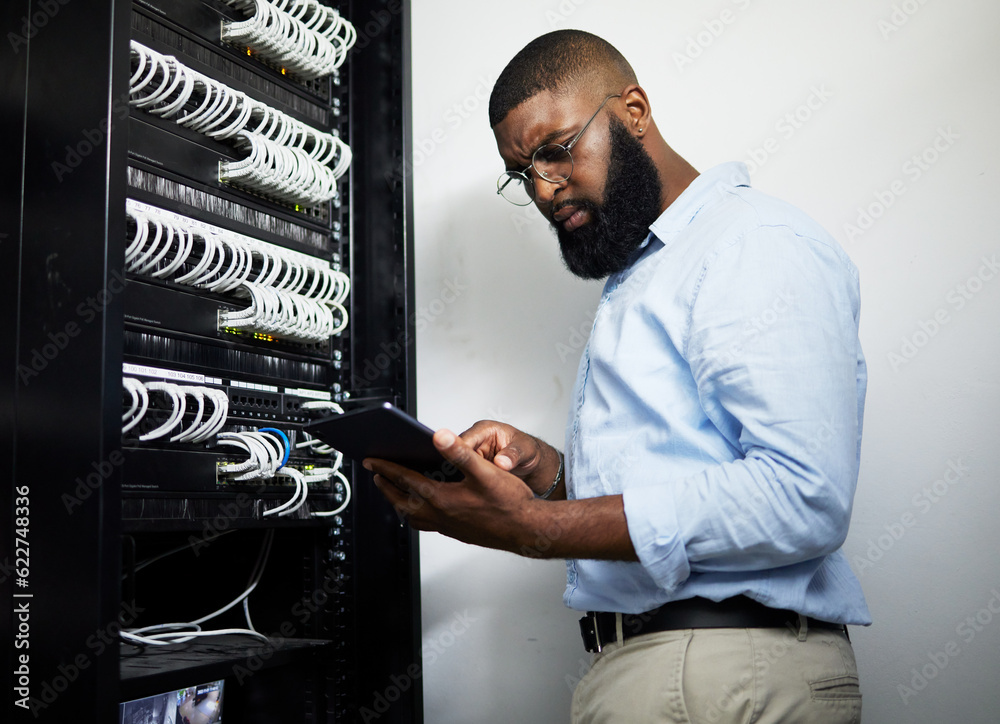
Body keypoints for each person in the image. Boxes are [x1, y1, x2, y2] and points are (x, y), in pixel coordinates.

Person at [365, 29, 869, 723]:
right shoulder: (655, 265)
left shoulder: (751, 243)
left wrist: (536, 525)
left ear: (633, 111)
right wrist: (547, 474)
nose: (543, 188)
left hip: (723, 675)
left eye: (555, 150)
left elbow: (802, 496)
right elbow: (688, 474)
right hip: (683, 674)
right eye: (523, 173)